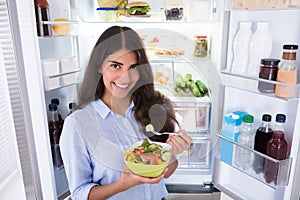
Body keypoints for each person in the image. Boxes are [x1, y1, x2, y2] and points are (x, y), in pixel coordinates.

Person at [60, 26, 192, 200]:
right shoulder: (78, 124)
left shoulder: (153, 108)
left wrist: (173, 152)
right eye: (116, 66)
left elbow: (165, 174)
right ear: (99, 66)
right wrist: (123, 184)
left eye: (133, 67)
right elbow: (79, 194)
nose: (126, 78)